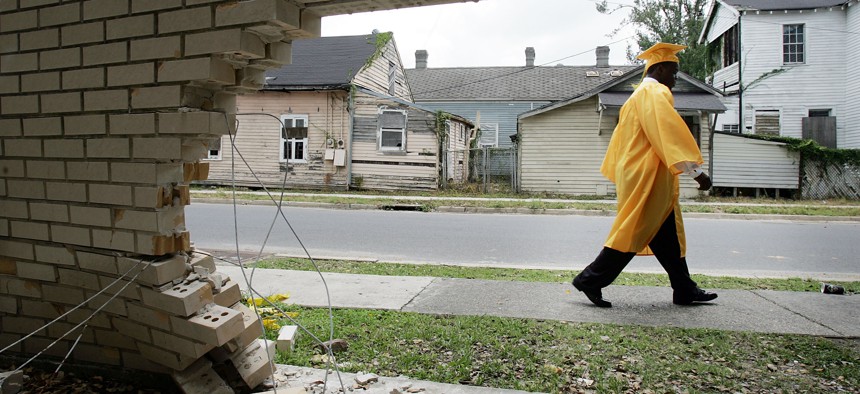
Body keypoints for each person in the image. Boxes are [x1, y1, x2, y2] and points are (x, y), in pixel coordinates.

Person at [571, 42, 718, 308]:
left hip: (639, 173)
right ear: (660, 69)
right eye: (673, 72)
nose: (674, 79)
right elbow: (668, 133)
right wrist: (696, 172)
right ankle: (589, 279)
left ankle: (684, 289)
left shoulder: (637, 95)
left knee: (667, 235)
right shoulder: (654, 92)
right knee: (633, 231)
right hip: (648, 177)